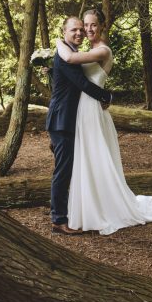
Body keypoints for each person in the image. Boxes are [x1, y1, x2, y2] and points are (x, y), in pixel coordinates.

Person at [56, 9, 152, 235]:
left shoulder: (102, 50)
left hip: (92, 110)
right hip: (83, 110)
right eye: (85, 25)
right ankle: (90, 206)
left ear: (102, 26)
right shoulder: (89, 49)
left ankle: (102, 208)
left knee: (95, 157)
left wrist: (59, 43)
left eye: (93, 25)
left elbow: (69, 58)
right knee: (87, 158)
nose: (88, 29)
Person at [46, 16, 113, 235]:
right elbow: (83, 84)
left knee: (66, 169)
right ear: (64, 32)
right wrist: (107, 96)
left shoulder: (68, 52)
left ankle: (67, 213)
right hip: (62, 120)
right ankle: (58, 220)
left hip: (67, 119)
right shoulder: (66, 55)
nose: (79, 33)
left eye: (80, 30)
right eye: (74, 29)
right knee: (63, 171)